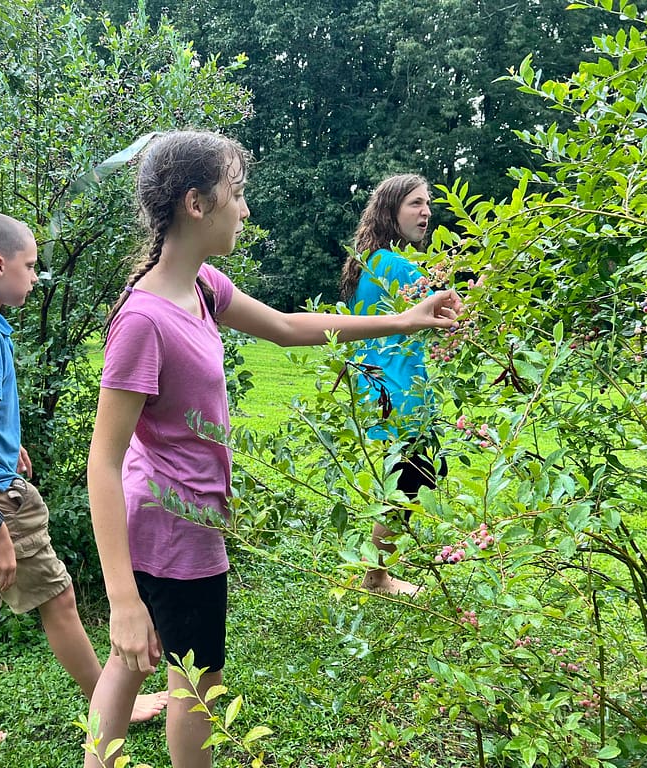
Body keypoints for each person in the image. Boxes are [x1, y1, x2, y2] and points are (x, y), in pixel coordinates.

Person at [82, 132, 463, 768]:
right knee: (194, 682)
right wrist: (120, 599)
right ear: (196, 203)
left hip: (174, 517)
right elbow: (104, 457)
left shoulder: (201, 285)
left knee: (136, 660)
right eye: (239, 194)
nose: (247, 210)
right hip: (174, 527)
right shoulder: (144, 319)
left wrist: (406, 319)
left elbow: (288, 329)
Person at [0, 211, 166, 753]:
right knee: (59, 598)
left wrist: (3, 442)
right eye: (30, 267)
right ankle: (113, 701)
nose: (35, 278)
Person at [338, 173, 448, 597]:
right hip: (399, 388)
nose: (426, 212)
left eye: (427, 204)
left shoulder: (370, 261)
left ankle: (376, 570)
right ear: (391, 211)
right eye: (415, 204)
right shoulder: (398, 266)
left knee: (415, 472)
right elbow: (450, 310)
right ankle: (377, 576)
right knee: (415, 475)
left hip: (378, 386)